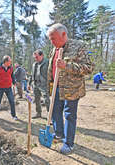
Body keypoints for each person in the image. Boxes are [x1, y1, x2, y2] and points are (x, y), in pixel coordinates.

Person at [47, 23, 94, 155]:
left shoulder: (80, 46)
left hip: (72, 89)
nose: (52, 42)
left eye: (53, 38)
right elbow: (52, 69)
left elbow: (89, 67)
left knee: (69, 115)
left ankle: (68, 143)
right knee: (55, 112)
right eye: (50, 39)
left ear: (63, 34)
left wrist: (67, 65)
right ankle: (59, 134)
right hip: (56, 87)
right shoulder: (54, 49)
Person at [0, 55, 18, 121]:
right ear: (5, 61)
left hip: (8, 88)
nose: (11, 62)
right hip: (0, 88)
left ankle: (14, 115)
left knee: (12, 101)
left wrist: (14, 83)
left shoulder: (11, 68)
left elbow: (12, 77)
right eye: (10, 61)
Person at [29, 49, 50, 118]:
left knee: (47, 100)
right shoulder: (34, 64)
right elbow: (32, 74)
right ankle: (38, 113)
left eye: (37, 57)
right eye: (35, 57)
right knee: (36, 99)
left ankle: (50, 116)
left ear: (42, 55)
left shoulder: (47, 62)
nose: (36, 59)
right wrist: (30, 83)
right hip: (35, 84)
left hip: (44, 84)